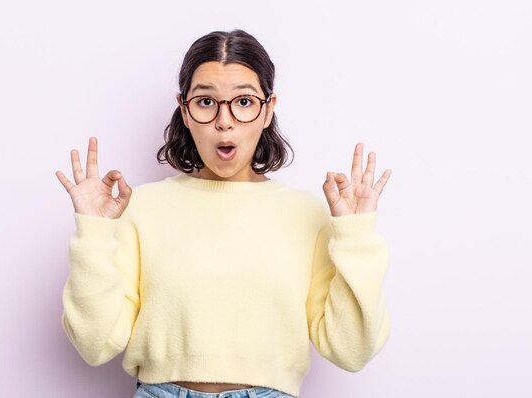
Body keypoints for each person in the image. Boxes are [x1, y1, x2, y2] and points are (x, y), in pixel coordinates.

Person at [55, 29, 393, 398]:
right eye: (206, 102)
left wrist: (357, 234)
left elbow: (351, 351)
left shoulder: (307, 213)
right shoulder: (141, 207)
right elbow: (94, 344)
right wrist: (93, 233)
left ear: (268, 110)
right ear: (184, 109)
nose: (225, 121)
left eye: (244, 102)